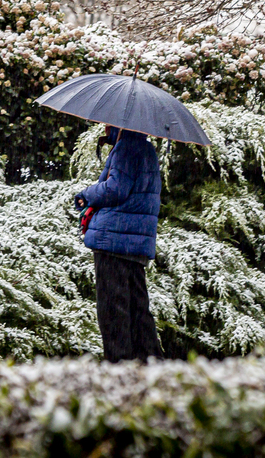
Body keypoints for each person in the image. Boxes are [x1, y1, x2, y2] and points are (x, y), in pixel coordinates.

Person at [73, 125, 163, 362]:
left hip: (113, 239)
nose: (105, 126)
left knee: (113, 310)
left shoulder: (125, 147)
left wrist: (87, 193)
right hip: (135, 240)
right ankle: (152, 364)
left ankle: (119, 368)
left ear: (119, 123)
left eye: (109, 123)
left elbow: (116, 189)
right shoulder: (146, 149)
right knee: (138, 310)